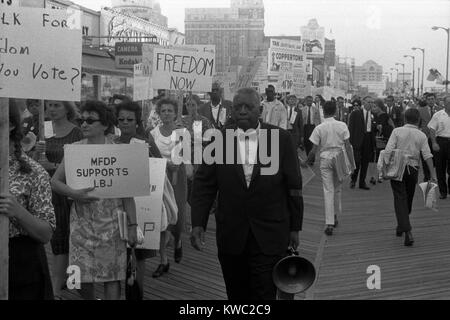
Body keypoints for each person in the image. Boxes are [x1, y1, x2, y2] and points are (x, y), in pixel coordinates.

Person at [190, 88, 303, 300]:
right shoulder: (218, 140)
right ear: (231, 110)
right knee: (236, 294)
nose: (242, 111)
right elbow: (204, 185)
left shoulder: (281, 139)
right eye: (237, 107)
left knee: (264, 294)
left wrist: (296, 226)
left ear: (259, 110)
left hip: (271, 233)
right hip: (231, 234)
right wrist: (198, 223)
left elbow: (294, 186)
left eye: (248, 107)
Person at [51, 100, 138, 300]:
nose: (83, 124)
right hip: (82, 222)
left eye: (90, 120)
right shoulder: (74, 149)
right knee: (80, 276)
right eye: (82, 120)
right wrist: (75, 194)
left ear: (105, 125)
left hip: (113, 223)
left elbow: (128, 193)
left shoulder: (118, 151)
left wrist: (133, 225)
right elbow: (55, 182)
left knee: (113, 275)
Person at [1, 101, 55, 300]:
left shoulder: (33, 172)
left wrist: (18, 211)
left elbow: (45, 233)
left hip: (21, 267)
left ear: (11, 124)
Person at [33, 100, 83, 299]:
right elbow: (35, 162)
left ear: (67, 108)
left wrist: (52, 165)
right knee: (58, 239)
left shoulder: (77, 132)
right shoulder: (44, 129)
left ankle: (72, 281)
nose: (51, 109)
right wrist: (36, 154)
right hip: (49, 192)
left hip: (70, 191)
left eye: (56, 105)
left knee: (75, 238)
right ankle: (57, 286)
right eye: (50, 106)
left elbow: (79, 165)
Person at [113, 101, 162, 299]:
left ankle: (136, 295)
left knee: (138, 254)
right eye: (121, 119)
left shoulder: (145, 143)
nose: (125, 123)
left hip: (141, 205)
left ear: (137, 121)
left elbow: (159, 170)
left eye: (129, 119)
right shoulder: (110, 143)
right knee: (116, 253)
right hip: (115, 207)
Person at [384, 109, 436, 246]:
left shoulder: (397, 131)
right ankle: (402, 225)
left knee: (399, 198)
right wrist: (433, 174)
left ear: (404, 119)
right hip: (413, 169)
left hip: (397, 167)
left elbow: (388, 150)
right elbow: (427, 155)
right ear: (418, 120)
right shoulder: (421, 135)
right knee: (408, 198)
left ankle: (406, 229)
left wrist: (383, 169)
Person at [302, 101, 351, 236]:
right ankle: (334, 215)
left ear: (323, 111)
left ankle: (329, 222)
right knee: (337, 189)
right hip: (340, 157)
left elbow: (313, 150)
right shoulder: (342, 125)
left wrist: (306, 161)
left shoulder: (319, 127)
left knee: (328, 190)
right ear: (335, 111)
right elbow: (348, 145)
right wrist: (351, 163)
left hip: (325, 158)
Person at [150, 98, 187, 277]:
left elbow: (186, 156)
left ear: (175, 113)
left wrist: (178, 162)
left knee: (178, 217)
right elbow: (149, 155)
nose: (166, 113)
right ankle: (163, 260)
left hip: (178, 178)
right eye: (163, 110)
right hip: (159, 177)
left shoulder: (182, 132)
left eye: (169, 110)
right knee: (163, 219)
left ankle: (178, 240)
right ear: (159, 113)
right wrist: (166, 164)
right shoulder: (153, 133)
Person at [348, 96, 377, 190]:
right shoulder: (355, 113)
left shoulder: (373, 115)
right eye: (369, 102)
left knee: (365, 162)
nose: (371, 104)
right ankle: (353, 179)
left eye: (372, 102)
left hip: (368, 139)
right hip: (357, 139)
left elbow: (373, 129)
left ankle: (362, 182)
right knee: (357, 161)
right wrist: (350, 142)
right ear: (364, 102)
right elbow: (350, 128)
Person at [428, 95, 450, 199]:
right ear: (444, 103)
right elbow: (432, 129)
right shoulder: (438, 115)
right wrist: (434, 143)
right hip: (441, 142)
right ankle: (443, 192)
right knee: (440, 168)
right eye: (448, 102)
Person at [418, 94, 435, 182]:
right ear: (426, 101)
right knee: (425, 157)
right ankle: (427, 176)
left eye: (432, 99)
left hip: (437, 137)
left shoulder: (440, 110)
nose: (430, 101)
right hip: (425, 137)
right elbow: (418, 123)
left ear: (435, 100)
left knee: (436, 157)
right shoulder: (421, 110)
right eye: (429, 99)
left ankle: (434, 175)